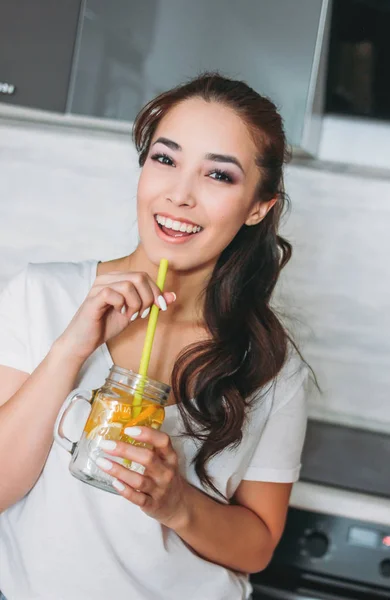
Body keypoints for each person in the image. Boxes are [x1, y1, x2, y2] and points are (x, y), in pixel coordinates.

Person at [0, 72, 309, 600]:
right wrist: (71, 350)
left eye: (219, 176)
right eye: (165, 160)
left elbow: (257, 546)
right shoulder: (44, 295)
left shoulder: (269, 362)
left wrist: (177, 504)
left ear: (259, 206)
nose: (179, 195)